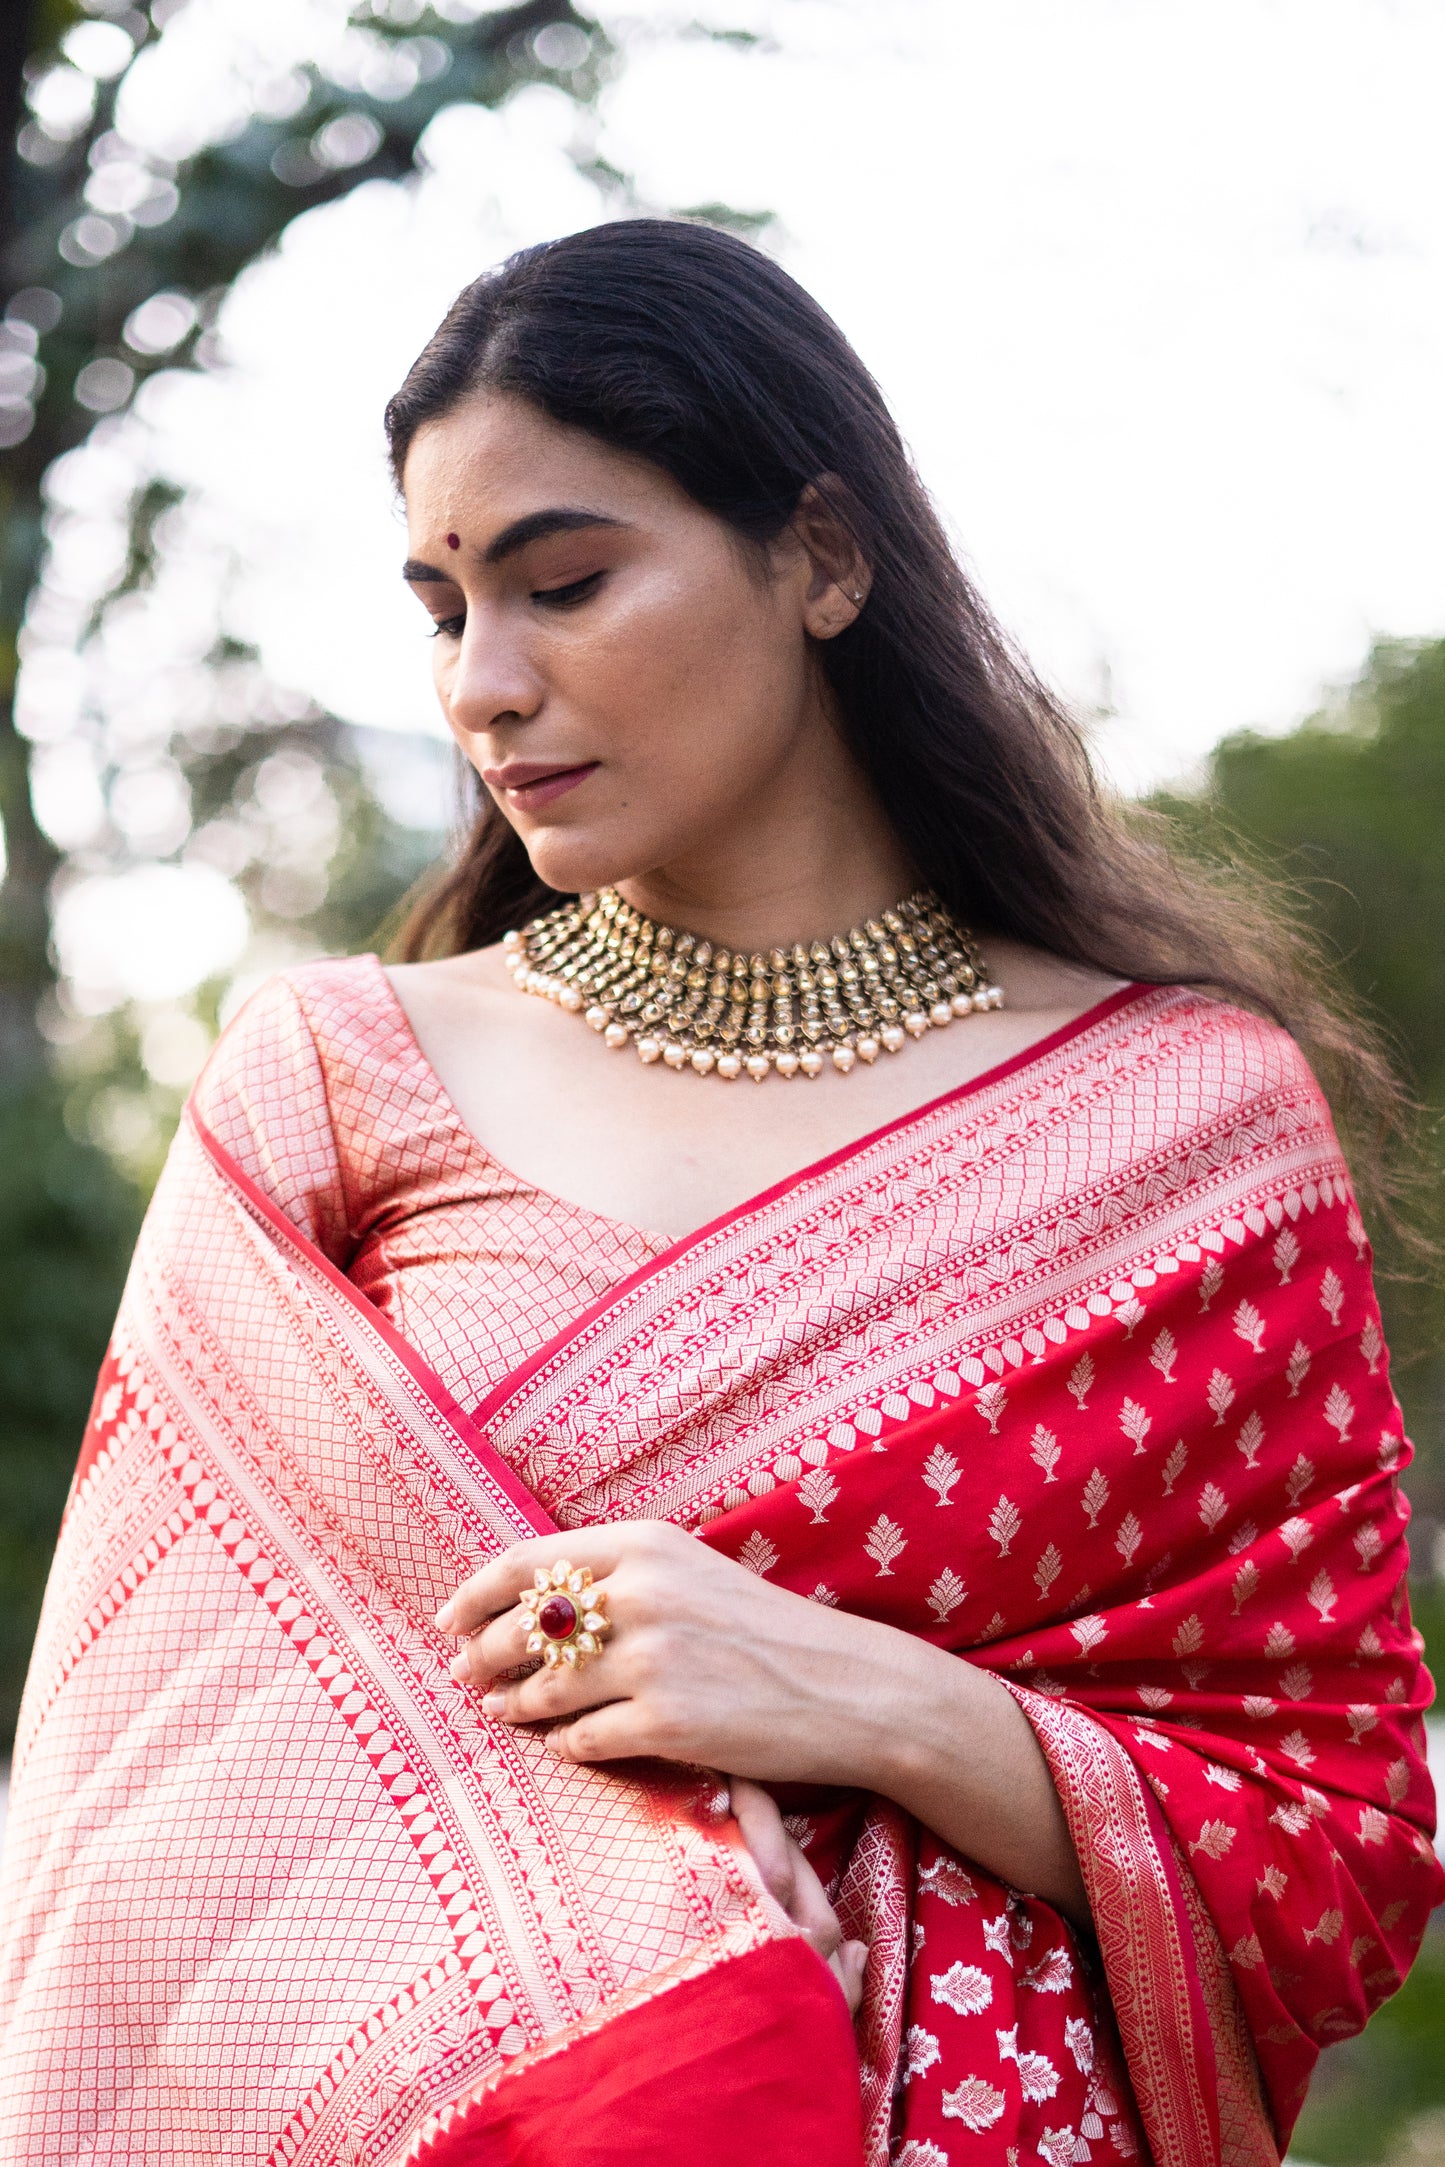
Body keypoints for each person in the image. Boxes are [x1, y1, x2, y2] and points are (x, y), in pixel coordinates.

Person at [0, 220, 1438, 2167]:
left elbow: (1338, 1833)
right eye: (441, 609)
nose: (483, 686)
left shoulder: (1185, 1125)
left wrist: (863, 1696)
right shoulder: (333, 1089)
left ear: (824, 556)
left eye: (563, 581)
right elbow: (139, 1818)